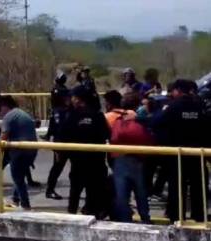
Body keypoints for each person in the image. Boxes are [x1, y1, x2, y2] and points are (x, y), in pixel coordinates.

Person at [158, 79, 209, 223]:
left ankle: (176, 218)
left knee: (177, 188)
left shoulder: (172, 107)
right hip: (198, 154)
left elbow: (157, 123)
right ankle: (199, 218)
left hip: (178, 155)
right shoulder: (200, 106)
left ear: (178, 90)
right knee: (198, 188)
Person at [61, 85, 109, 219]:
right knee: (93, 194)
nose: (72, 100)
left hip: (79, 163)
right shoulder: (98, 115)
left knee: (75, 194)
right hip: (96, 163)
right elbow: (106, 134)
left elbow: (63, 137)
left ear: (79, 99)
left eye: (73, 97)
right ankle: (91, 216)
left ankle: (71, 218)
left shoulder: (72, 116)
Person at [110, 94, 153, 223]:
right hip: (138, 160)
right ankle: (145, 219)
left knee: (122, 195)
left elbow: (113, 138)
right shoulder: (141, 119)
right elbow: (148, 139)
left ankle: (125, 221)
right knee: (141, 193)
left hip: (120, 159)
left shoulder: (116, 119)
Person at [0, 96, 38, 210]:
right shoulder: (21, 113)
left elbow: (3, 138)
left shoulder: (8, 117)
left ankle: (25, 204)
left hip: (20, 151)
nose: (0, 111)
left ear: (5, 106)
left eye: (1, 108)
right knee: (20, 176)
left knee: (18, 178)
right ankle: (15, 199)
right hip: (32, 149)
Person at [45, 77, 71, 200]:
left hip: (71, 142)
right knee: (57, 167)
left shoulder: (69, 110)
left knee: (77, 167)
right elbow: (56, 128)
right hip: (61, 143)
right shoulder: (58, 111)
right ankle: (50, 190)